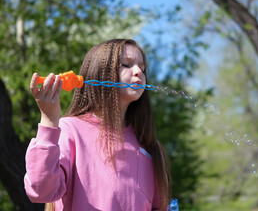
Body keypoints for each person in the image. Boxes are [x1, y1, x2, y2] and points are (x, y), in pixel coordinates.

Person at [24, 39, 171, 211]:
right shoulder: (71, 130)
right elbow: (41, 191)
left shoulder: (150, 147)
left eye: (142, 68)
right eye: (126, 65)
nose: (138, 72)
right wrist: (49, 120)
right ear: (99, 74)